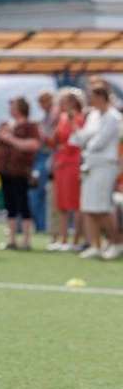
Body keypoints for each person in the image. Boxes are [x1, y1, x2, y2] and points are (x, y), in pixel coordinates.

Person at [72, 84, 122, 260]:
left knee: (102, 208)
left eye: (92, 96)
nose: (89, 100)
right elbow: (80, 138)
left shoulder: (113, 117)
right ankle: (95, 245)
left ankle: (117, 242)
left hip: (105, 166)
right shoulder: (92, 116)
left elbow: (98, 142)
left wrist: (86, 141)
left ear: (101, 97)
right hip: (90, 165)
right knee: (88, 207)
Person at [0, 97, 41, 250]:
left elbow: (33, 145)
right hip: (5, 171)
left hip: (21, 171)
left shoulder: (29, 126)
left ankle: (26, 240)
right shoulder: (6, 125)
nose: (10, 108)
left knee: (23, 204)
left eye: (13, 105)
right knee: (10, 205)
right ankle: (11, 239)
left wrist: (10, 139)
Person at [48, 88, 87, 252]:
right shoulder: (61, 118)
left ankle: (76, 240)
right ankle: (63, 239)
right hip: (61, 163)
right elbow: (55, 141)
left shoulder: (80, 118)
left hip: (73, 163)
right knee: (61, 203)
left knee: (75, 202)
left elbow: (78, 141)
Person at [31, 90, 58, 233]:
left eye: (42, 101)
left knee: (41, 193)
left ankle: (43, 226)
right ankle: (41, 226)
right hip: (44, 155)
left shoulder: (54, 115)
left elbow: (50, 138)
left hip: (48, 156)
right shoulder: (46, 116)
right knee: (39, 194)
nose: (41, 105)